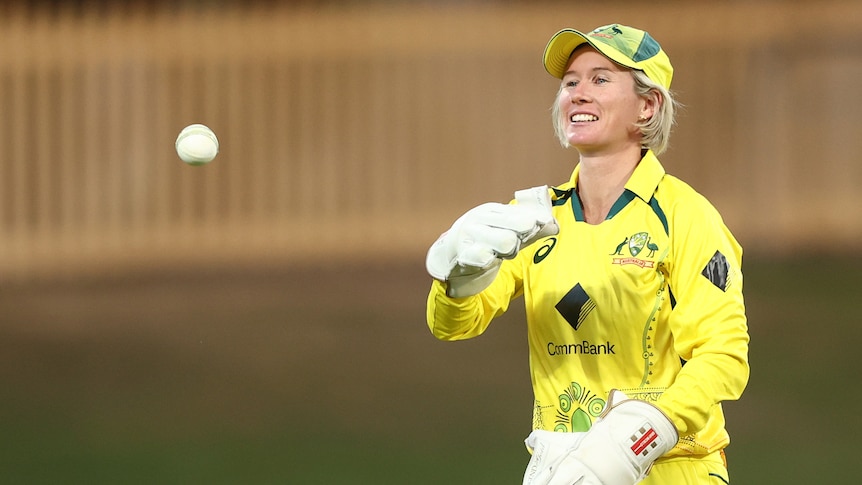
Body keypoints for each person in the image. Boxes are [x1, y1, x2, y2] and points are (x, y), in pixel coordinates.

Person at [425, 23, 750, 485]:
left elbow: (724, 357)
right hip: (564, 471)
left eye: (600, 79)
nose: (578, 93)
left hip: (672, 469)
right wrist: (457, 282)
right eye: (570, 82)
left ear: (647, 105)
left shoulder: (686, 216)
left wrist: (634, 440)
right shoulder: (532, 217)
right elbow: (453, 327)